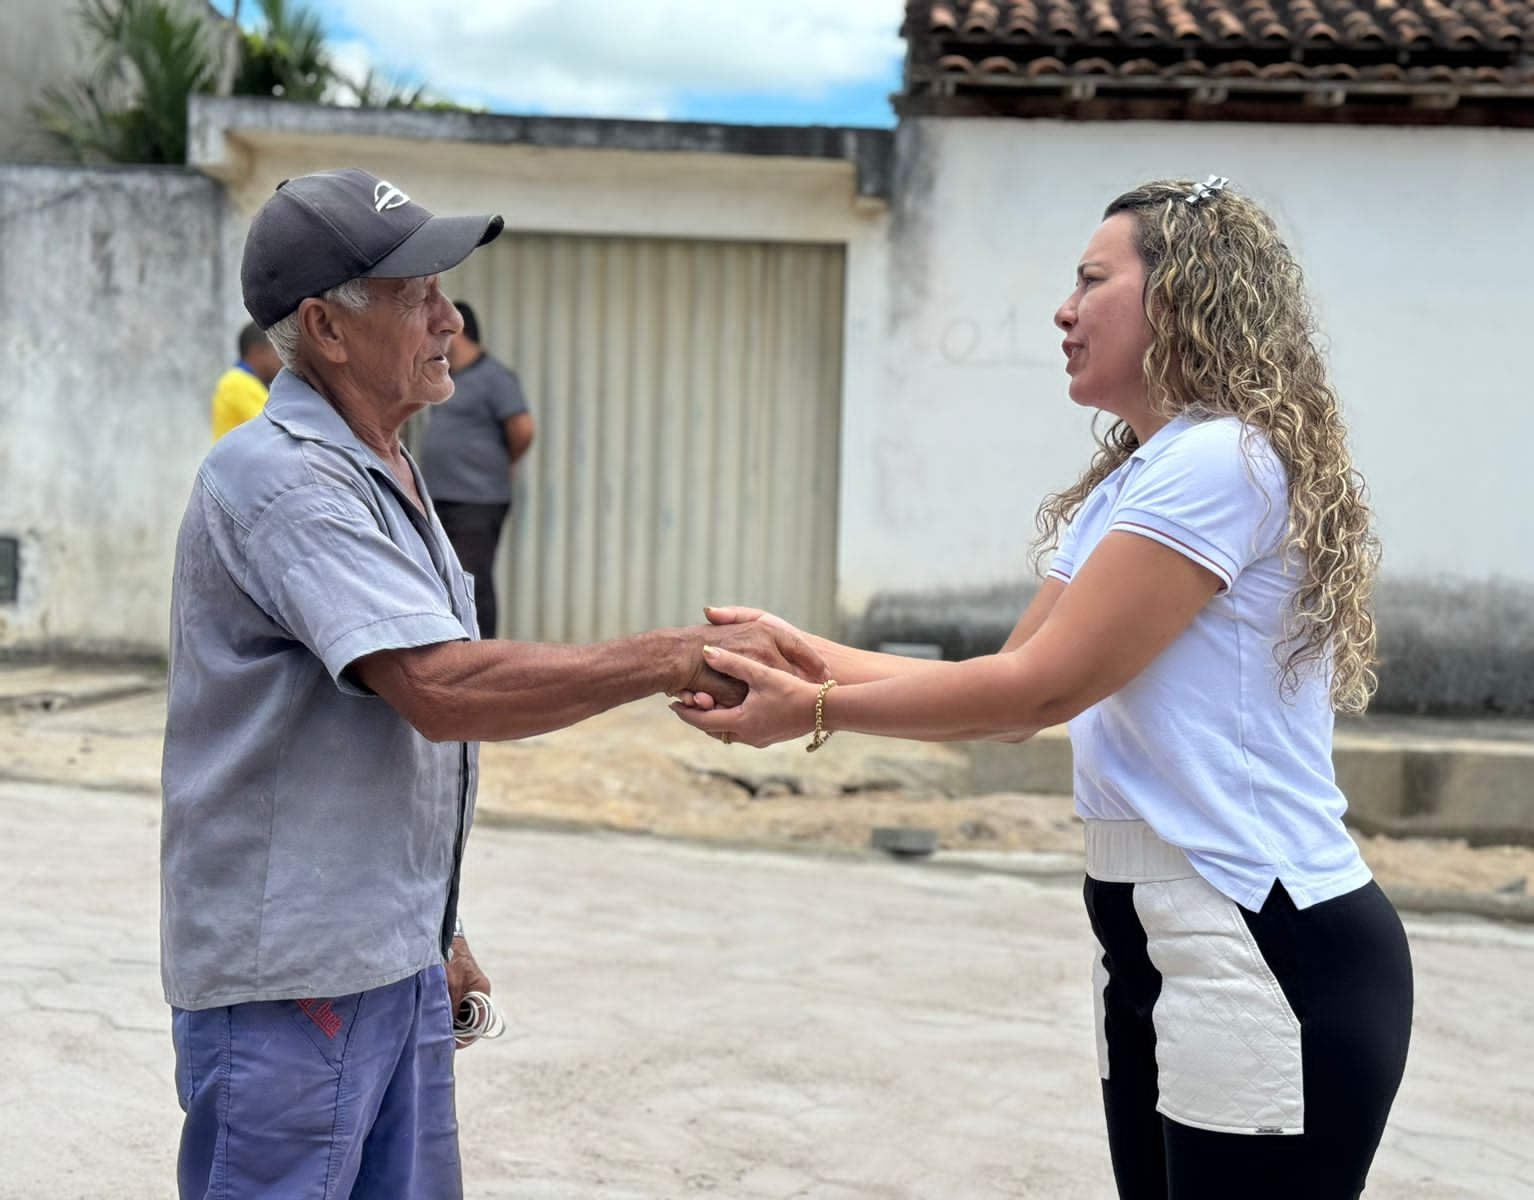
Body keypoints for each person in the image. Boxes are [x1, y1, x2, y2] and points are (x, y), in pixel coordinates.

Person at [674, 177, 1413, 1199]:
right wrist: (802, 654)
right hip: (1150, 933)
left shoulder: (1222, 462)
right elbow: (1004, 686)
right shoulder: (1133, 480)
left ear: (1182, 293)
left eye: (1091, 280)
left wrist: (812, 708)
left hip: (1258, 932)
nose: (1063, 311)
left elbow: (1034, 695)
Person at [161, 167, 824, 1200]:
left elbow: (399, 747)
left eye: (446, 286)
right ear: (325, 331)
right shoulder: (282, 474)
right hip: (293, 986)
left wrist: (436, 932)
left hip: (383, 962)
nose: (448, 314)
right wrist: (659, 659)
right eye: (416, 291)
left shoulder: (382, 465)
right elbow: (437, 687)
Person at [419, 300, 534, 639]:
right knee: (444, 578)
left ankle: (484, 656)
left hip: (478, 499)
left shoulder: (495, 378)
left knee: (473, 579)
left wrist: (503, 461)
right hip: (438, 496)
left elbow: (523, 429)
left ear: (458, 332)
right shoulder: (443, 378)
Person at [209, 321, 281, 440]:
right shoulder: (237, 382)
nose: (282, 358)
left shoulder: (242, 380)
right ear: (258, 352)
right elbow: (277, 428)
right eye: (278, 349)